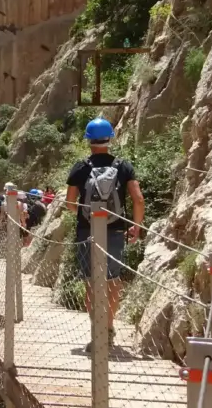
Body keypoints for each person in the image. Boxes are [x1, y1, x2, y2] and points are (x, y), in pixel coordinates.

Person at [65, 117, 144, 352]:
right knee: (111, 283)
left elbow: (70, 203)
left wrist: (86, 212)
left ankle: (97, 334)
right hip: (116, 231)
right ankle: (108, 332)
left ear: (88, 141)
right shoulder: (123, 166)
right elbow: (138, 199)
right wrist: (136, 226)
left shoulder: (81, 167)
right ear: (110, 138)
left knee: (92, 283)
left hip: (87, 231)